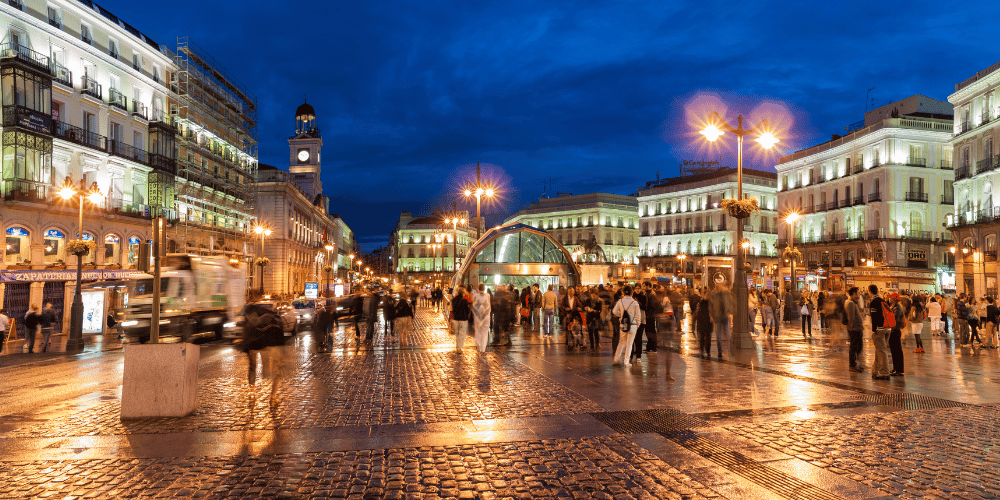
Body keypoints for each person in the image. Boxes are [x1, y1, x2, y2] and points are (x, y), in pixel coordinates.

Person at [240, 303, 288, 405]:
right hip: (271, 344)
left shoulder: (249, 320)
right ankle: (272, 397)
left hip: (254, 344)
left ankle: (252, 392)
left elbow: (246, 334)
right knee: (277, 370)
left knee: (252, 367)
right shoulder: (273, 317)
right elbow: (280, 334)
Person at [612, 285, 640, 366]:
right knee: (629, 344)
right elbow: (638, 316)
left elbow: (614, 311)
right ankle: (626, 361)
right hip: (633, 324)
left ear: (623, 292)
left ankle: (616, 358)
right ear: (632, 292)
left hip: (623, 324)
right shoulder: (635, 303)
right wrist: (637, 325)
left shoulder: (620, 301)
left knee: (621, 342)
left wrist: (621, 315)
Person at [867, 285, 890, 380]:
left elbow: (874, 316)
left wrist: (873, 329)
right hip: (887, 328)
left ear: (869, 291)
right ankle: (875, 371)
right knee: (879, 350)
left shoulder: (873, 302)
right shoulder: (882, 300)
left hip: (879, 329)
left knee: (882, 351)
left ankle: (885, 373)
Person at [708, 285, 734, 358]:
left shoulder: (713, 295)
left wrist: (711, 315)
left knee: (718, 334)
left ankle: (720, 351)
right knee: (727, 333)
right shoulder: (727, 294)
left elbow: (710, 307)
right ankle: (730, 349)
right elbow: (731, 304)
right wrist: (728, 312)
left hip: (717, 317)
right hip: (724, 316)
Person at [845, 287, 864, 373]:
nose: (859, 294)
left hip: (856, 328)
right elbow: (851, 318)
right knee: (854, 347)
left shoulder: (852, 302)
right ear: (853, 294)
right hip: (855, 329)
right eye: (858, 293)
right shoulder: (850, 303)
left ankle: (855, 363)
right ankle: (852, 365)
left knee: (857, 347)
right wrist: (852, 329)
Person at [888, 294, 905, 376]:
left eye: (890, 297)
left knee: (896, 351)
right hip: (894, 331)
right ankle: (896, 368)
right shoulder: (895, 307)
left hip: (894, 332)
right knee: (895, 351)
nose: (888, 298)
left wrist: (891, 329)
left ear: (894, 299)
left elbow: (895, 321)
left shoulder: (897, 308)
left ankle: (899, 370)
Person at [471, 283, 491, 352]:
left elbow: (474, 306)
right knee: (485, 332)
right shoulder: (488, 295)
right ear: (484, 288)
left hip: (477, 316)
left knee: (478, 331)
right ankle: (483, 348)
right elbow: (488, 306)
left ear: (478, 288)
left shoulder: (475, 296)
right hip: (486, 316)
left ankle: (478, 346)